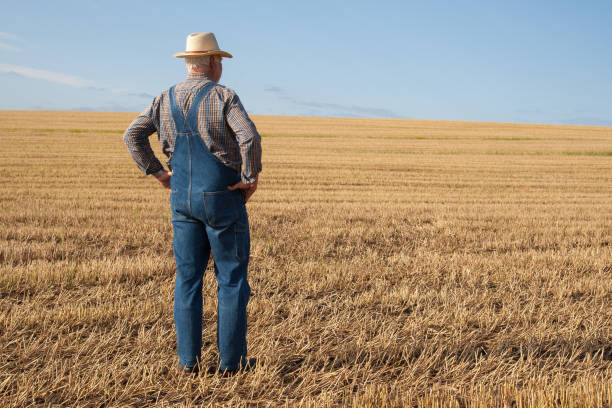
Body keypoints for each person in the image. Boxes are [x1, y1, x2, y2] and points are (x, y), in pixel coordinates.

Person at [123, 32, 262, 375]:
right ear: (214, 61)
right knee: (231, 280)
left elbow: (132, 135)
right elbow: (249, 137)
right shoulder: (224, 96)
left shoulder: (163, 98)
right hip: (221, 198)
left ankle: (189, 365)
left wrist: (159, 174)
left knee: (187, 279)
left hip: (181, 198)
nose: (221, 67)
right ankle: (232, 364)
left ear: (188, 62)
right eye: (221, 61)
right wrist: (249, 176)